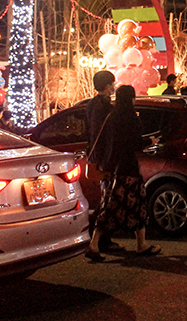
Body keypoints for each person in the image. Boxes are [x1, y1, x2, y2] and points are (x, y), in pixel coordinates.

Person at [88, 84, 161, 259]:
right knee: (137, 205)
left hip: (111, 169)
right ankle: (139, 245)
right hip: (128, 169)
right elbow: (134, 144)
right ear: (131, 98)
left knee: (111, 206)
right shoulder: (131, 118)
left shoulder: (111, 117)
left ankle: (95, 244)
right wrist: (150, 141)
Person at [85, 70, 119, 256]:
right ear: (107, 86)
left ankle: (103, 239)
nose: (114, 86)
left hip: (96, 156)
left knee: (107, 198)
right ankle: (96, 239)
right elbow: (105, 135)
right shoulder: (105, 107)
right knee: (107, 199)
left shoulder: (91, 105)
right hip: (104, 158)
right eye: (112, 83)